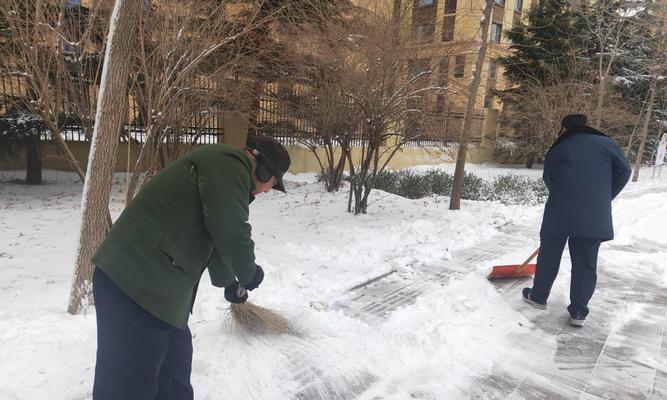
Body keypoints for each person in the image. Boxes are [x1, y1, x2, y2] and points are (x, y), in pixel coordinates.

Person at [91, 135, 291, 399]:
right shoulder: (229, 164)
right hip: (135, 285)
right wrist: (249, 272)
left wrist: (231, 283)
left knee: (174, 380)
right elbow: (230, 230)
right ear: (262, 167)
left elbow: (216, 234)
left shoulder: (222, 174)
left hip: (161, 294)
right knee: (127, 387)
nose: (266, 191)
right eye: (272, 184)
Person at [522, 114, 631, 327]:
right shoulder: (607, 144)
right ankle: (579, 312)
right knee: (585, 261)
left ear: (565, 129)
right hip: (594, 213)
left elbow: (549, 177)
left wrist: (564, 194)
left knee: (550, 254)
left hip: (559, 211)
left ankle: (538, 297)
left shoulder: (559, 147)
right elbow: (624, 171)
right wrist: (604, 195)